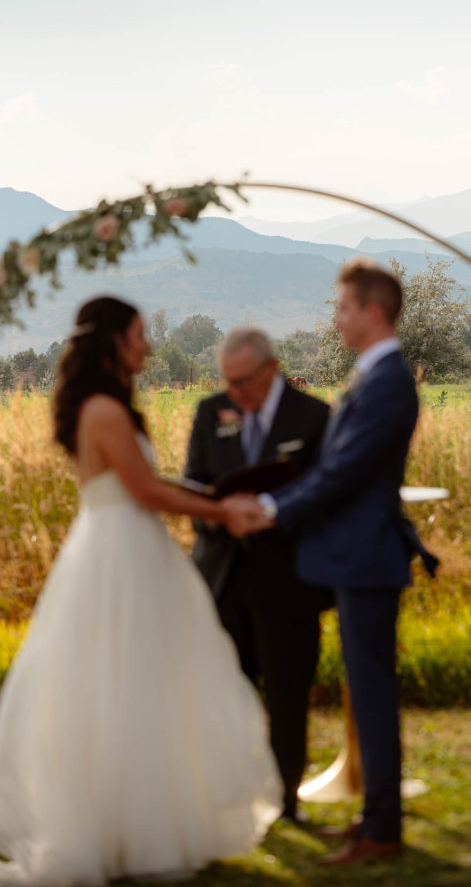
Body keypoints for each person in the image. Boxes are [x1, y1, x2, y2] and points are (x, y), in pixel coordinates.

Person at [0, 297, 281, 886]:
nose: (148, 345)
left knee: (140, 684)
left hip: (124, 547)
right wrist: (221, 511)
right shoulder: (103, 409)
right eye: (139, 335)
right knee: (123, 684)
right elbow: (145, 492)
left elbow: (149, 484)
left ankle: (136, 825)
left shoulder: (104, 406)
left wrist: (211, 499)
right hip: (118, 555)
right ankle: (120, 831)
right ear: (113, 343)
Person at [231, 258, 433, 866]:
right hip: (355, 557)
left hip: (366, 557)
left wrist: (268, 506)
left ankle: (383, 831)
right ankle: (375, 818)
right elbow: (330, 470)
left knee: (371, 693)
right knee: (366, 690)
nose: (337, 317)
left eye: (343, 307)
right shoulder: (373, 376)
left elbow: (340, 475)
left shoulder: (389, 381)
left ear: (374, 311)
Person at [185, 327, 331, 822]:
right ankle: (232, 795)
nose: (236, 394)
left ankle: (288, 800)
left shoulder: (313, 417)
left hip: (289, 578)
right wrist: (219, 514)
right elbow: (195, 489)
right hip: (224, 576)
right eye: (228, 382)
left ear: (272, 368)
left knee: (288, 695)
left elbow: (325, 496)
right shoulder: (211, 412)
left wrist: (272, 512)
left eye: (244, 382)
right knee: (228, 693)